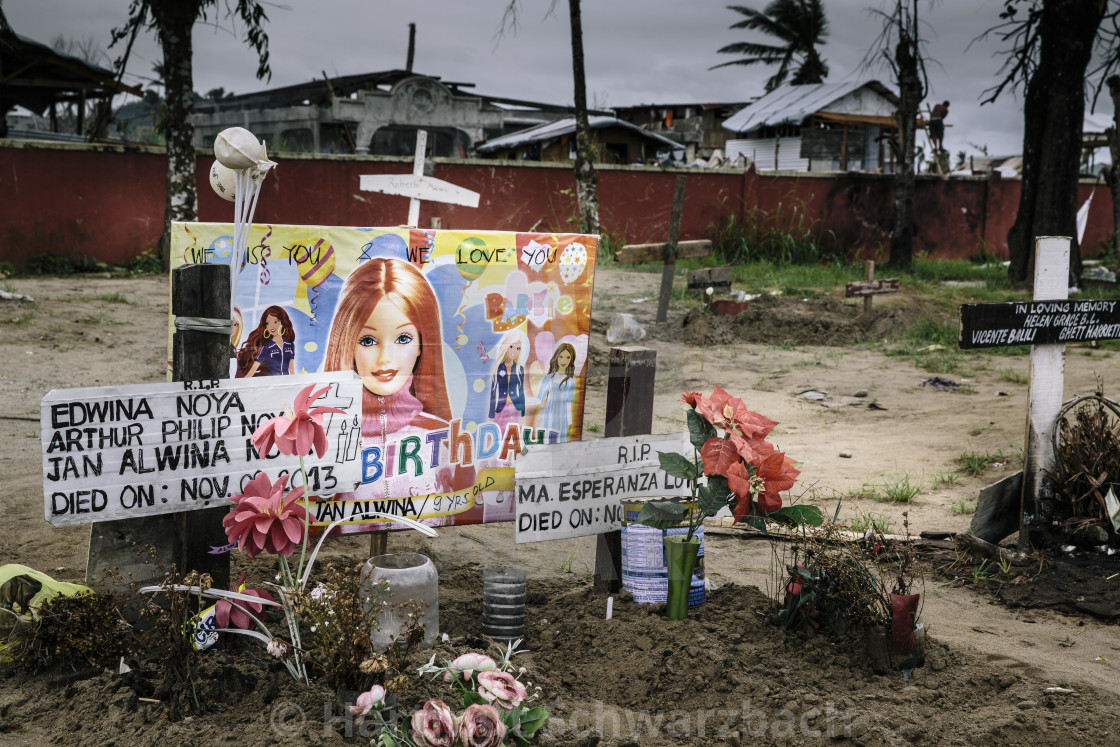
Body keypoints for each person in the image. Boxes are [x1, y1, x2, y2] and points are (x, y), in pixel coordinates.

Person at [323, 258, 463, 531]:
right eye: (367, 340)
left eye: (403, 339)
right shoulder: (326, 435)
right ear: (346, 344)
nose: (385, 359)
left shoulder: (440, 435)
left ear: (423, 343)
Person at [535, 342, 577, 443]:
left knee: (560, 439)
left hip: (562, 415)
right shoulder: (548, 378)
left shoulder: (570, 381)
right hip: (550, 412)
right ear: (556, 358)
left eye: (568, 357)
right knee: (548, 436)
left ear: (571, 359)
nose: (564, 361)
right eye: (561, 357)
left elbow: (568, 401)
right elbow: (540, 398)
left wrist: (569, 420)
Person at [237, 305, 295, 377]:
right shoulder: (267, 347)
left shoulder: (290, 345)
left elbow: (292, 369)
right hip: (271, 382)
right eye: (267, 323)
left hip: (286, 382)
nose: (271, 326)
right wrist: (244, 381)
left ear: (283, 322)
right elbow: (255, 366)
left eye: (275, 321)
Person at [488, 331, 528, 432]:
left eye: (518, 348)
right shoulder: (497, 368)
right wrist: (491, 414)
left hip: (516, 409)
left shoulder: (520, 369)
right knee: (499, 434)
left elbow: (521, 392)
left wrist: (523, 412)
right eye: (511, 346)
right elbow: (492, 393)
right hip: (501, 408)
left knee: (515, 434)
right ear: (506, 346)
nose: (514, 351)